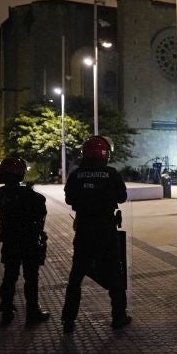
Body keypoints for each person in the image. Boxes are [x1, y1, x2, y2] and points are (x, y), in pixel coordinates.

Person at [61, 135, 130, 333]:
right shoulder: (111, 174)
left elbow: (69, 199)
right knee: (114, 274)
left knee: (76, 276)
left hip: (83, 231)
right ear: (105, 155)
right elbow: (122, 197)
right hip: (105, 231)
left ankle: (68, 318)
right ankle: (119, 316)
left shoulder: (76, 175)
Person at [0, 156, 49, 326]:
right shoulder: (29, 195)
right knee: (31, 278)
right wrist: (28, 190)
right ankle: (32, 311)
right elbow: (41, 204)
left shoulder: (0, 194)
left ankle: (7, 308)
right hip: (28, 241)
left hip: (10, 241)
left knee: (10, 275)